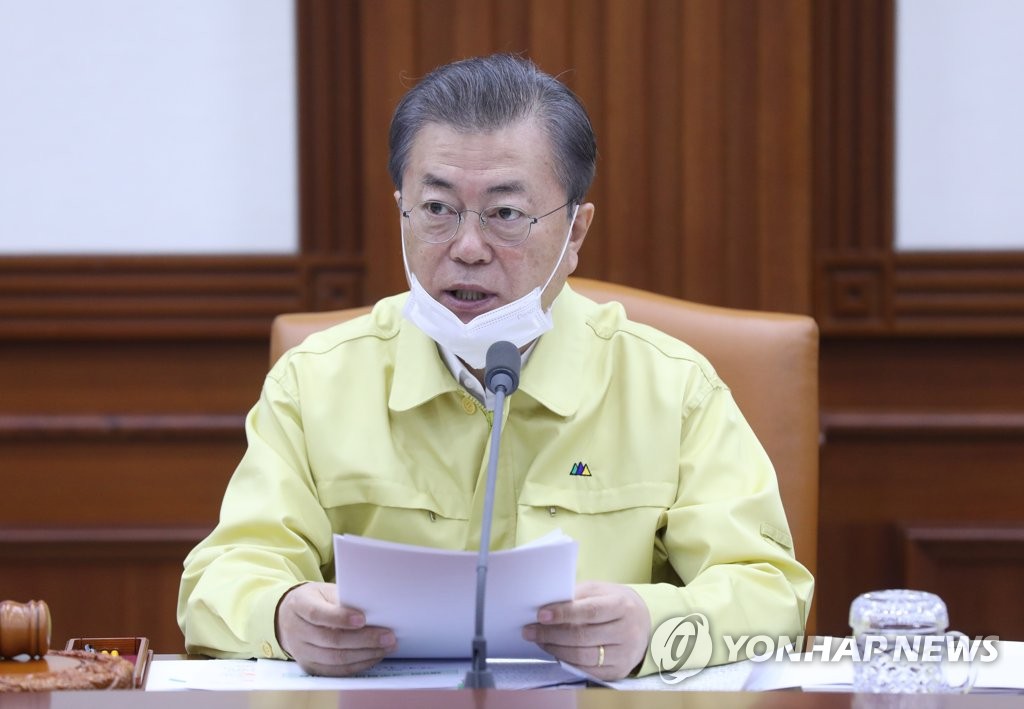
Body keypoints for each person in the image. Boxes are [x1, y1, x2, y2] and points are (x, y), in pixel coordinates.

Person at [177, 53, 813, 681]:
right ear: (401, 211)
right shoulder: (316, 382)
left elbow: (772, 593)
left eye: (506, 214)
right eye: (437, 209)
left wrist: (653, 625)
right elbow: (222, 577)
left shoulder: (671, 388)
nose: (468, 248)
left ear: (576, 232)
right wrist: (285, 614)